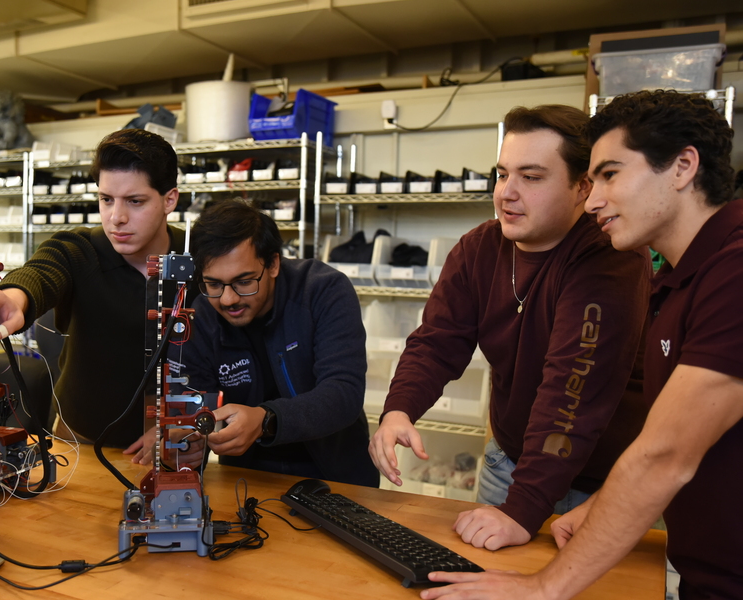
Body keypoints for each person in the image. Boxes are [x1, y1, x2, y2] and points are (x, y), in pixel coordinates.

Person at [427, 91, 742, 599]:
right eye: (591, 180)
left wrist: (543, 588)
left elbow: (666, 455)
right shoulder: (682, 280)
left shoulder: (734, 273)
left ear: (683, 166)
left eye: (611, 175)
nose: (592, 200)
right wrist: (597, 510)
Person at [369, 104, 652, 551]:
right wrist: (398, 409)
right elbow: (436, 343)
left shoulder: (610, 257)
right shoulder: (479, 247)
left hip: (600, 483)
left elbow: (571, 389)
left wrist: (522, 510)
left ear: (582, 187)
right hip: (510, 462)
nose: (506, 193)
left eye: (532, 177)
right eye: (502, 174)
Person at [127, 199, 379, 487]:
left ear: (272, 263)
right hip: (247, 482)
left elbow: (343, 393)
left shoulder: (323, 291)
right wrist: (185, 445)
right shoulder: (200, 316)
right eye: (214, 284)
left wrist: (266, 420)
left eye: (244, 282)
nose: (228, 299)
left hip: (338, 480)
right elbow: (192, 408)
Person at [0, 129, 185, 448]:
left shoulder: (198, 258)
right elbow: (40, 273)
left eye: (135, 202)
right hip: (81, 439)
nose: (116, 218)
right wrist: (13, 297)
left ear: (169, 200)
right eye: (106, 200)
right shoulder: (79, 250)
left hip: (177, 443)